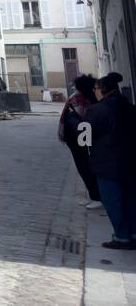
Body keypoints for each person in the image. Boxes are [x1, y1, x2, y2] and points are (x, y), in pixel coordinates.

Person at [82, 73, 136, 250]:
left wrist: (75, 120)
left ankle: (121, 237)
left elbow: (84, 139)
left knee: (113, 201)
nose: (95, 91)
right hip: (130, 162)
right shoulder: (130, 108)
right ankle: (133, 234)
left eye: (96, 88)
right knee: (130, 199)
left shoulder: (96, 110)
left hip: (107, 164)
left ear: (103, 90)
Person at [59, 75, 101, 208]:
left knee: (84, 166)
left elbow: (81, 115)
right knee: (85, 165)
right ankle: (94, 195)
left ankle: (96, 197)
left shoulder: (79, 98)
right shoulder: (87, 97)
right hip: (81, 136)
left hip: (79, 137)